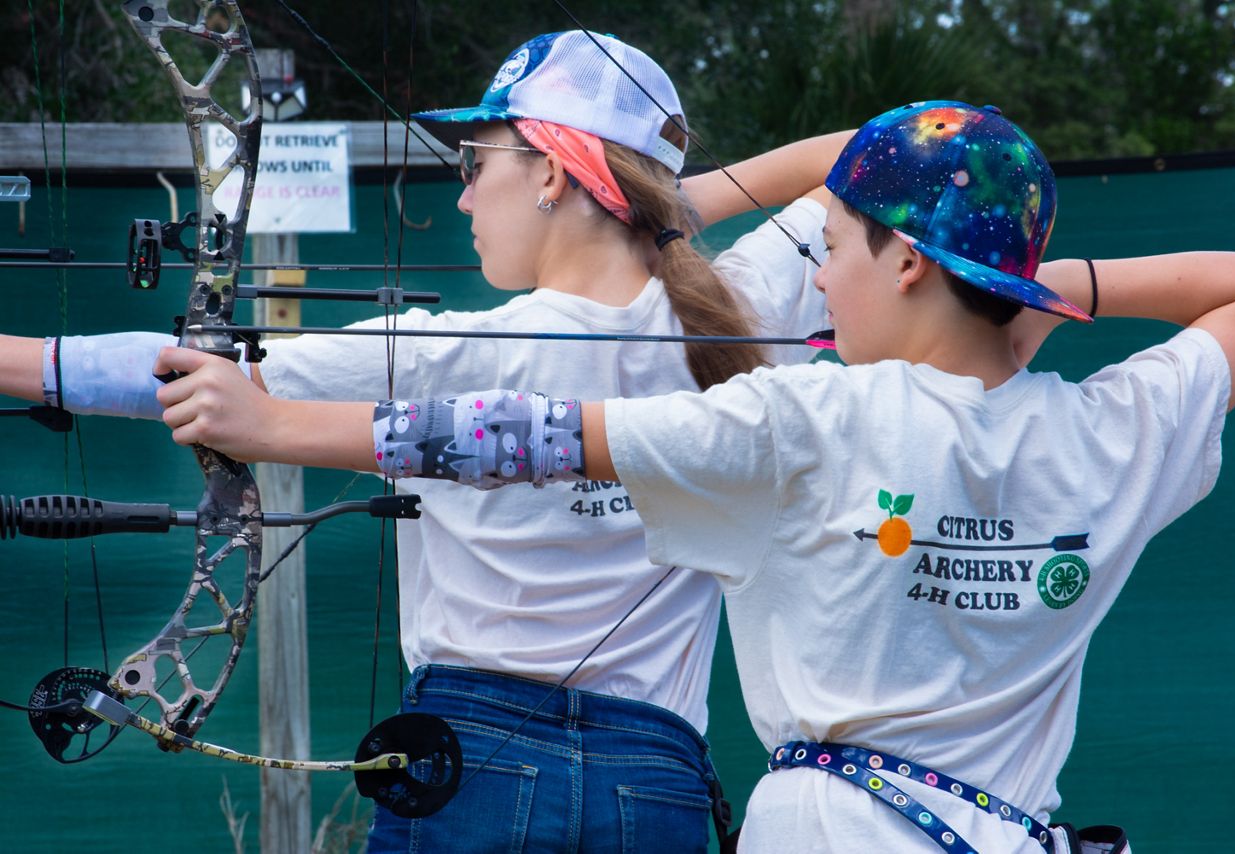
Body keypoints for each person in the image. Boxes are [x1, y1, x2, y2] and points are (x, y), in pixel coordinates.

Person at [150, 100, 1235, 853]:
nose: (819, 284)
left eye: (833, 249)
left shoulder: (803, 416)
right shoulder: (1112, 433)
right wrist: (1022, 293)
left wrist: (272, 421)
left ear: (901, 259)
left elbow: (524, 435)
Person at [0, 30, 851, 852]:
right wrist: (663, 207)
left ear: (553, 171)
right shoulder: (745, 307)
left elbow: (165, 373)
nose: (465, 196)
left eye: (477, 166)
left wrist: (653, 203)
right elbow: (882, 150)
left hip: (472, 761)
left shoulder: (456, 353)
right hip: (655, 778)